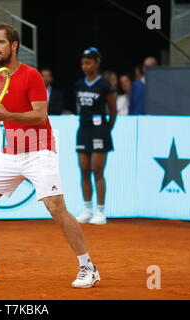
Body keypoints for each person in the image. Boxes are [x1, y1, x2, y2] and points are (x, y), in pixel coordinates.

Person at [0, 24, 100, 289]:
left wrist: (6, 117)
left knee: (56, 207)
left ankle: (88, 267)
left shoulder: (31, 75)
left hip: (39, 151)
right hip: (11, 154)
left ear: (13, 46)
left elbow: (39, 116)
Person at [75, 48, 117, 225]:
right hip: (83, 130)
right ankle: (87, 209)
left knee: (97, 170)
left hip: (100, 130)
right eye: (83, 63)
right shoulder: (78, 84)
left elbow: (113, 110)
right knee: (84, 170)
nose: (85, 66)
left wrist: (107, 129)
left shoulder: (105, 85)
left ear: (97, 63)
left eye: (89, 62)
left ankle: (101, 211)